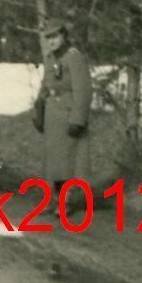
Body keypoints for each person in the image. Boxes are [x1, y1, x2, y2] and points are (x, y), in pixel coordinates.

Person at [35, 19, 92, 210]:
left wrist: (78, 119)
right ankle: (55, 199)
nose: (51, 41)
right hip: (52, 115)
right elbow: (46, 85)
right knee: (55, 161)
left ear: (64, 36)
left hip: (68, 114)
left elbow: (83, 90)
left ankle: (65, 201)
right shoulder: (51, 57)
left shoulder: (74, 57)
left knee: (67, 161)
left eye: (55, 36)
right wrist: (39, 110)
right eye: (48, 37)